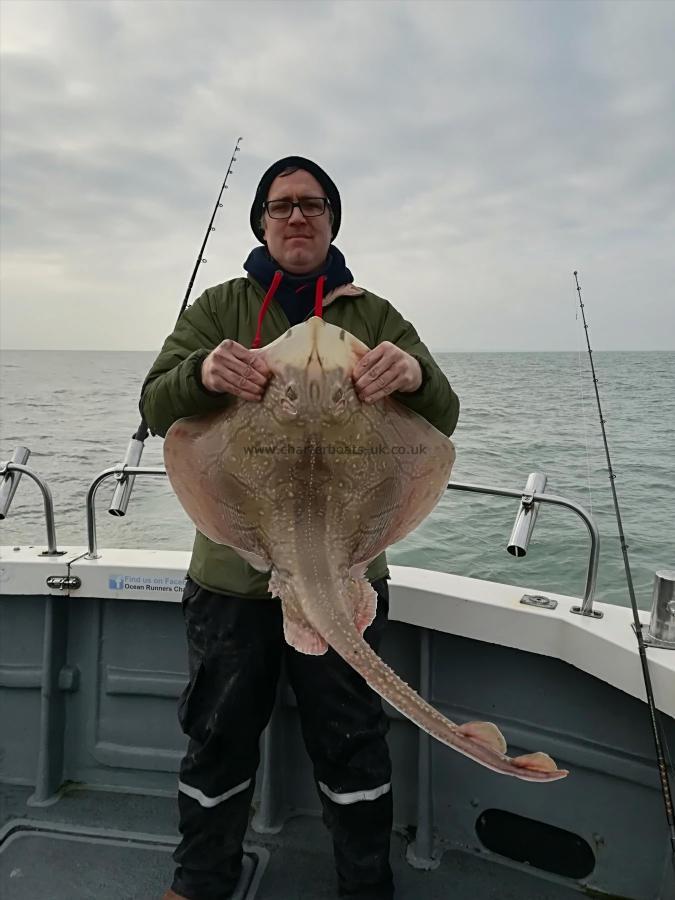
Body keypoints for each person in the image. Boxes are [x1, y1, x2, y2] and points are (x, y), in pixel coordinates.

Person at [141, 156, 460, 900]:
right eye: (282, 204)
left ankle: (364, 888)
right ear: (260, 220)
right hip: (232, 580)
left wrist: (411, 375)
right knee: (216, 741)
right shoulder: (219, 308)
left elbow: (440, 418)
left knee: (351, 744)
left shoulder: (375, 316)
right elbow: (157, 406)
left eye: (313, 204)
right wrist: (203, 374)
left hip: (348, 569)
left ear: (330, 220)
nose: (297, 216)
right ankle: (199, 884)